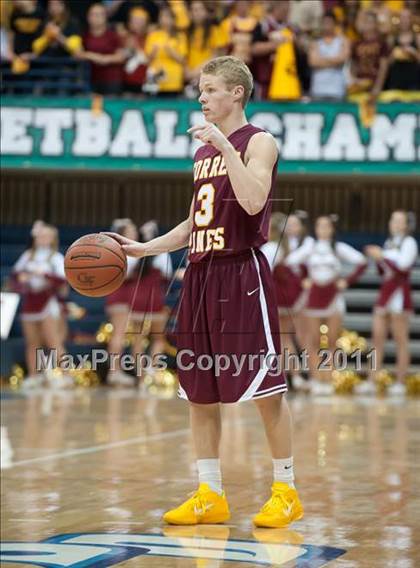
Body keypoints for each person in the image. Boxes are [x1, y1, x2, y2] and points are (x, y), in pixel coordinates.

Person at [106, 55, 304, 528]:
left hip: (241, 273)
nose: (201, 97)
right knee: (199, 391)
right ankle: (209, 494)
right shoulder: (202, 154)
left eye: (210, 89)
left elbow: (255, 201)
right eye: (200, 89)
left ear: (236, 92)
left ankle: (286, 491)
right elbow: (199, 217)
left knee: (266, 389)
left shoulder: (260, 141)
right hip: (199, 273)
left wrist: (225, 147)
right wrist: (144, 249)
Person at [286, 215, 367, 395]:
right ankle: (316, 379)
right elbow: (290, 262)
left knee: (331, 341)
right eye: (319, 226)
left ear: (332, 229)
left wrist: (347, 281)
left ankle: (328, 379)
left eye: (326, 226)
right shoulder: (310, 247)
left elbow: (362, 261)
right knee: (313, 342)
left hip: (333, 298)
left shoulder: (338, 248)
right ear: (315, 229)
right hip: (313, 298)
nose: (322, 229)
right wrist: (302, 280)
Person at [364, 210, 418, 396]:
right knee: (377, 338)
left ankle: (400, 383)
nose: (394, 223)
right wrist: (378, 259)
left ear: (406, 224)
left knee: (400, 339)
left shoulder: (409, 242)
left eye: (398, 220)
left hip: (399, 295)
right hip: (386, 292)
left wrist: (382, 256)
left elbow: (403, 267)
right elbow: (384, 271)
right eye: (392, 219)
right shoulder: (389, 242)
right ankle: (371, 380)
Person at [11, 223, 70, 389]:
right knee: (32, 342)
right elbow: (15, 278)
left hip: (48, 303)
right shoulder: (27, 256)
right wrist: (22, 281)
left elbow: (63, 281)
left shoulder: (56, 257)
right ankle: (33, 375)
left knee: (54, 341)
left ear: (52, 239)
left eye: (46, 236)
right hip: (30, 303)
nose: (42, 238)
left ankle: (66, 375)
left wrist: (43, 274)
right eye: (39, 236)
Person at [261, 211, 314, 391]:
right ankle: (293, 377)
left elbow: (261, 270)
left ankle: (288, 377)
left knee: (280, 338)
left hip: (278, 295)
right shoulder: (279, 245)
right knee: (283, 338)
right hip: (285, 295)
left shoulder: (271, 247)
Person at [80, 2, 126, 95]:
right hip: (92, 80)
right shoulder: (84, 36)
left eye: (99, 14)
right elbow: (78, 54)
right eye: (93, 14)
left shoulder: (113, 36)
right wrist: (90, 56)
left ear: (105, 17)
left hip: (112, 80)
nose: (96, 18)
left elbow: (121, 57)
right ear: (88, 17)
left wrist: (101, 58)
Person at [309, 11, 350, 100]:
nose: (326, 25)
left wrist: (321, 60)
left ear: (335, 24)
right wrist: (334, 62)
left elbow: (342, 59)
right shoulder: (315, 42)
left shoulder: (343, 41)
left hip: (337, 90)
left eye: (329, 22)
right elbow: (313, 62)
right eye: (324, 23)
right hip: (318, 89)